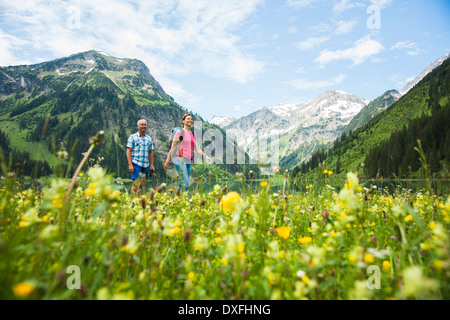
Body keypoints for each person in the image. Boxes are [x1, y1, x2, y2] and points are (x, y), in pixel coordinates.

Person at [163, 113, 211, 192]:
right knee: (185, 182)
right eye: (188, 119)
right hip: (179, 159)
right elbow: (172, 148)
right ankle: (182, 199)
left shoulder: (193, 134)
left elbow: (197, 149)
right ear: (183, 121)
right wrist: (167, 161)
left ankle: (177, 199)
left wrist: (205, 156)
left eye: (191, 119)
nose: (190, 120)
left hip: (189, 161)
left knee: (182, 182)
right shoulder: (179, 132)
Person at [126, 119, 155, 196]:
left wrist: (151, 165)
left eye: (145, 125)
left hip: (145, 164)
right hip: (136, 163)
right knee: (137, 183)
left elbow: (151, 152)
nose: (143, 126)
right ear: (138, 126)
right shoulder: (132, 137)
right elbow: (129, 151)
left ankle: (137, 198)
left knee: (142, 183)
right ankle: (132, 200)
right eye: (142, 124)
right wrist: (130, 164)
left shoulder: (149, 138)